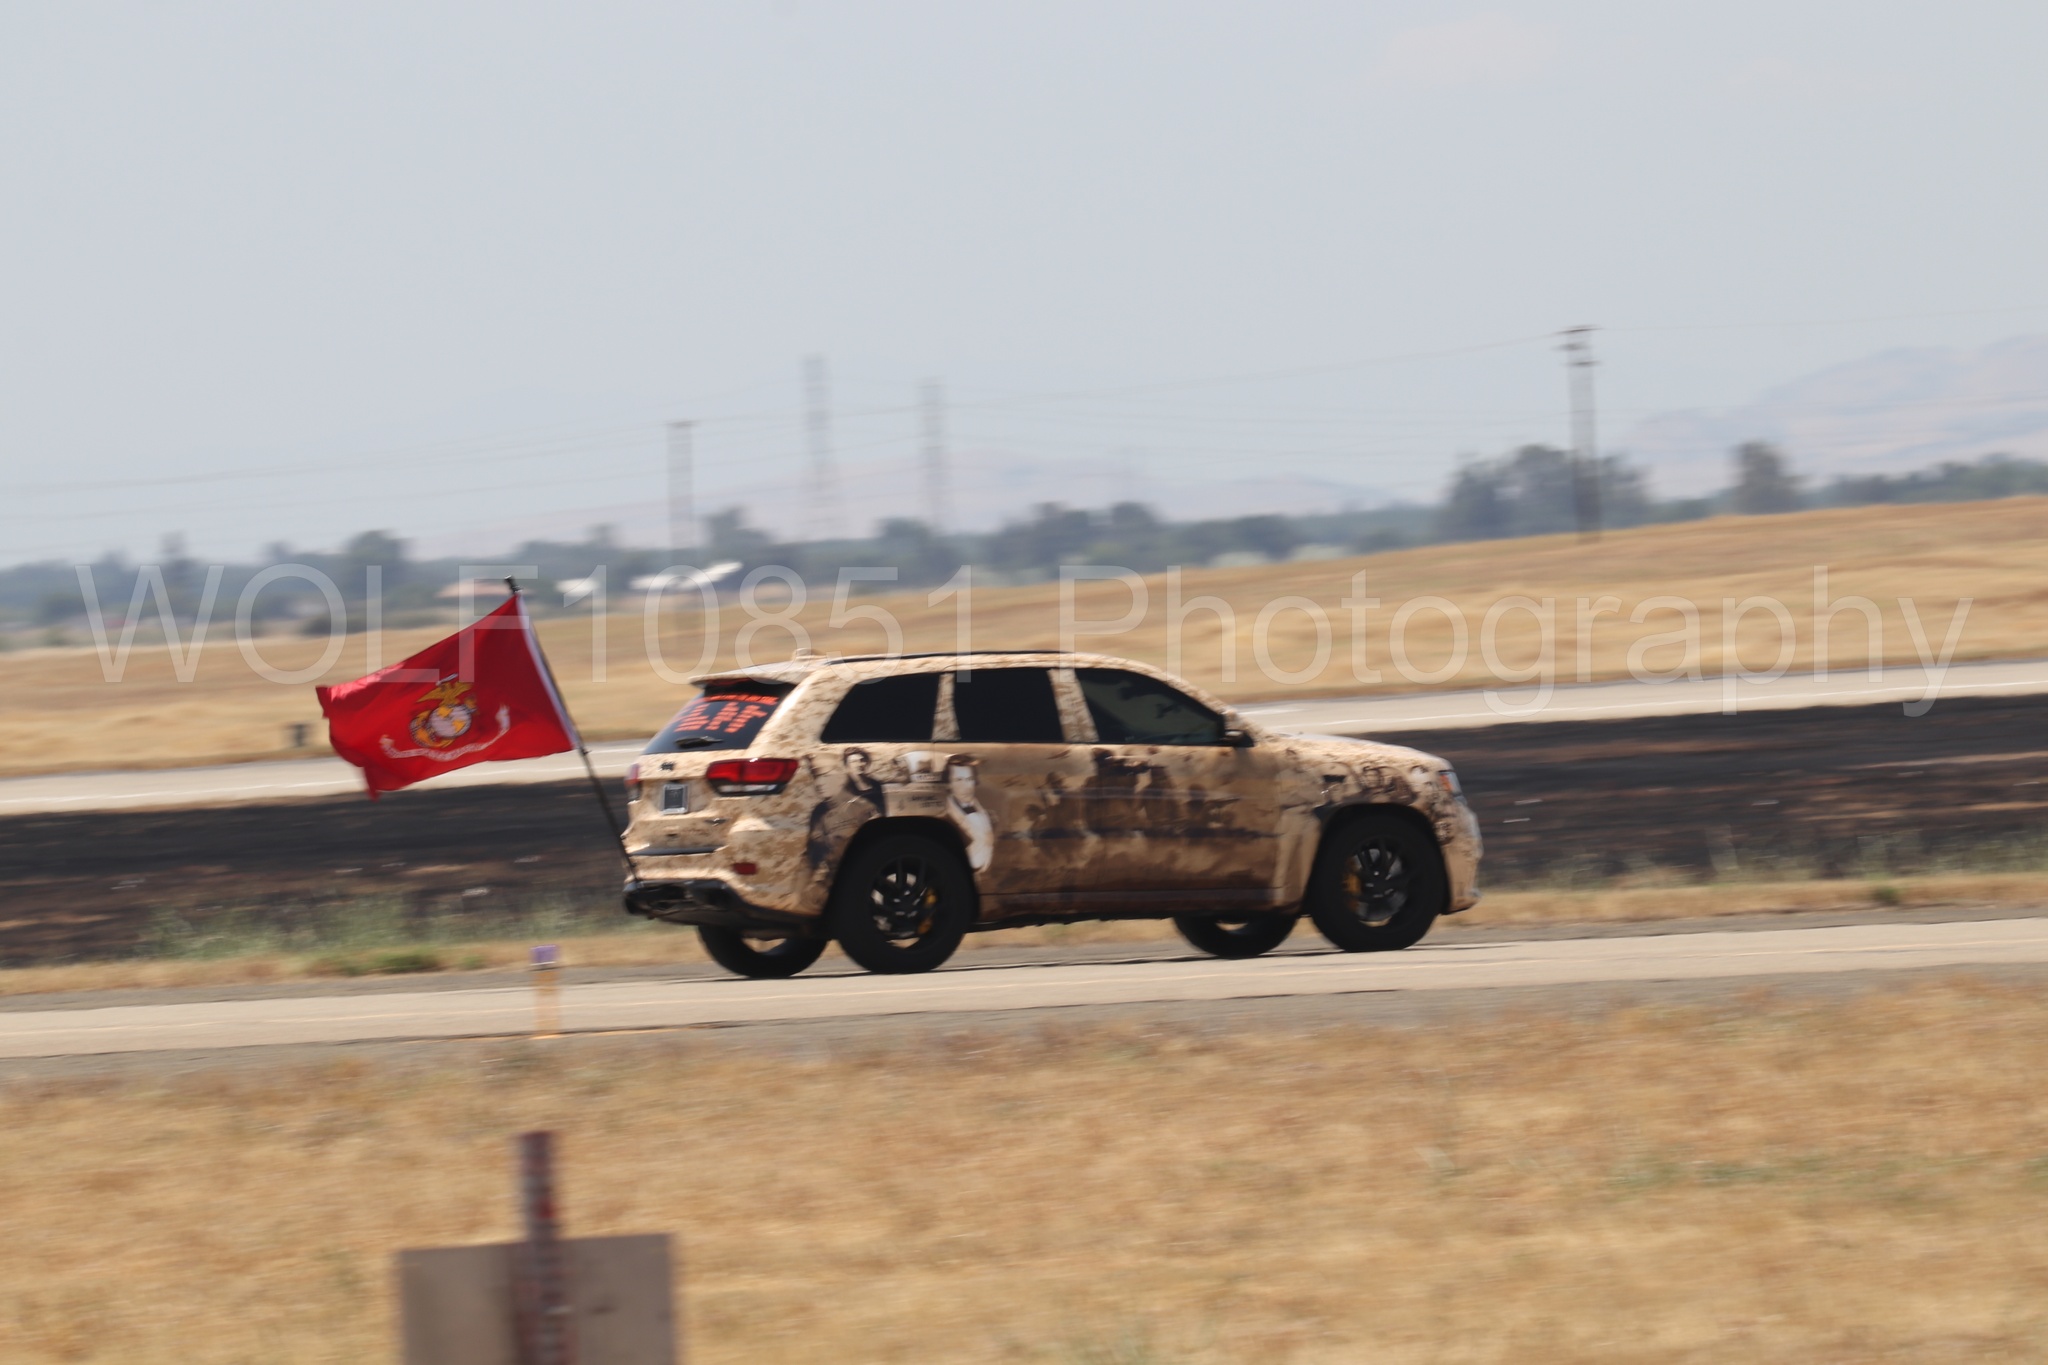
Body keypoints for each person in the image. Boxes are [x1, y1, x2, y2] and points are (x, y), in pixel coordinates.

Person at [944, 754, 995, 872]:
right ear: (948, 783)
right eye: (959, 780)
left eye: (970, 779)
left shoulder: (985, 812)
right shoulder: (944, 816)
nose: (966, 786)